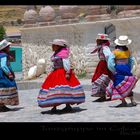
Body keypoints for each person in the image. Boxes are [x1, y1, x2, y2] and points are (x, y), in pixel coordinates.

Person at [37, 39, 85, 112]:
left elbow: (67, 63)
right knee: (55, 89)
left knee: (64, 89)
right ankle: (54, 106)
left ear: (58, 46)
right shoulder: (57, 53)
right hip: (56, 72)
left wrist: (68, 72)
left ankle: (67, 105)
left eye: (53, 45)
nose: (52, 47)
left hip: (62, 72)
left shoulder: (62, 54)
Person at [107, 35, 138, 107]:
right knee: (127, 84)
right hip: (127, 69)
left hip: (119, 69)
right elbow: (131, 61)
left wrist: (114, 70)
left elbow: (110, 63)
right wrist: (129, 68)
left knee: (118, 85)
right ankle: (132, 100)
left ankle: (123, 101)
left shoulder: (115, 52)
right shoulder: (128, 51)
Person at [91, 33, 113, 102]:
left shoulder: (105, 47)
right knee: (99, 80)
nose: (96, 41)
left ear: (101, 40)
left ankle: (110, 94)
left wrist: (109, 65)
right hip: (101, 64)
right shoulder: (100, 47)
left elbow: (108, 56)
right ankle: (102, 96)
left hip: (104, 65)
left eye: (98, 40)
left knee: (104, 79)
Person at [0, 39, 19, 112]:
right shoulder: (3, 55)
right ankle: (1, 106)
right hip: (3, 75)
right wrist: (9, 74)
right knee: (6, 86)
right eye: (8, 46)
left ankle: (2, 105)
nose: (9, 47)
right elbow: (3, 65)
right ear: (5, 48)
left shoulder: (1, 54)